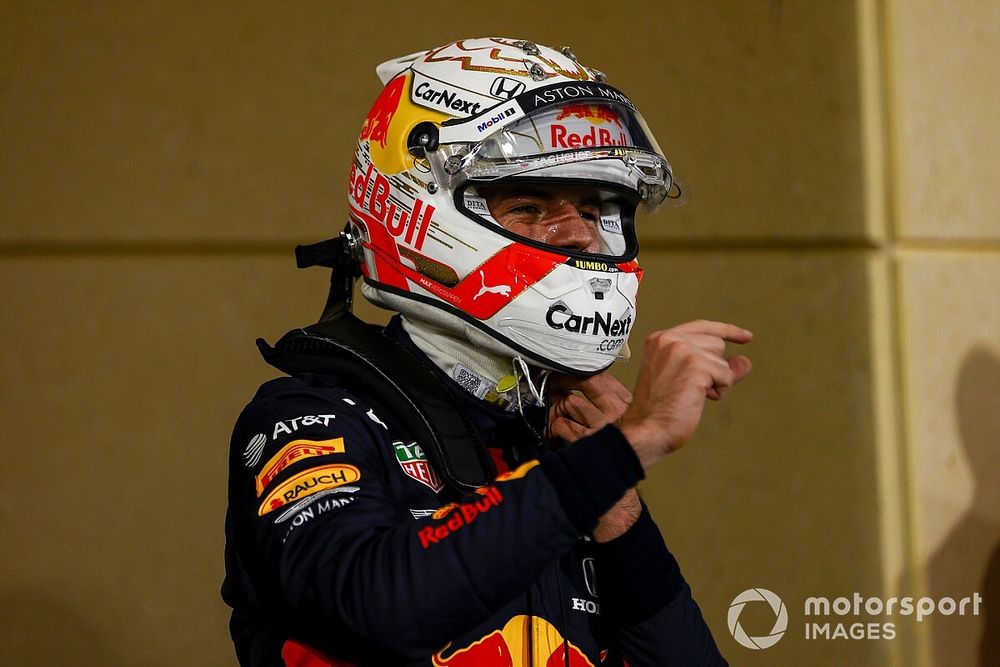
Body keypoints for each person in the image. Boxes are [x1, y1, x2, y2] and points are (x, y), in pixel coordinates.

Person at [222, 37, 752, 667]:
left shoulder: (563, 441)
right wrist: (625, 450)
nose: (582, 234)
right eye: (528, 206)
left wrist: (618, 510)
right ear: (414, 210)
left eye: (596, 207)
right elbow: (375, 605)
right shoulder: (312, 416)